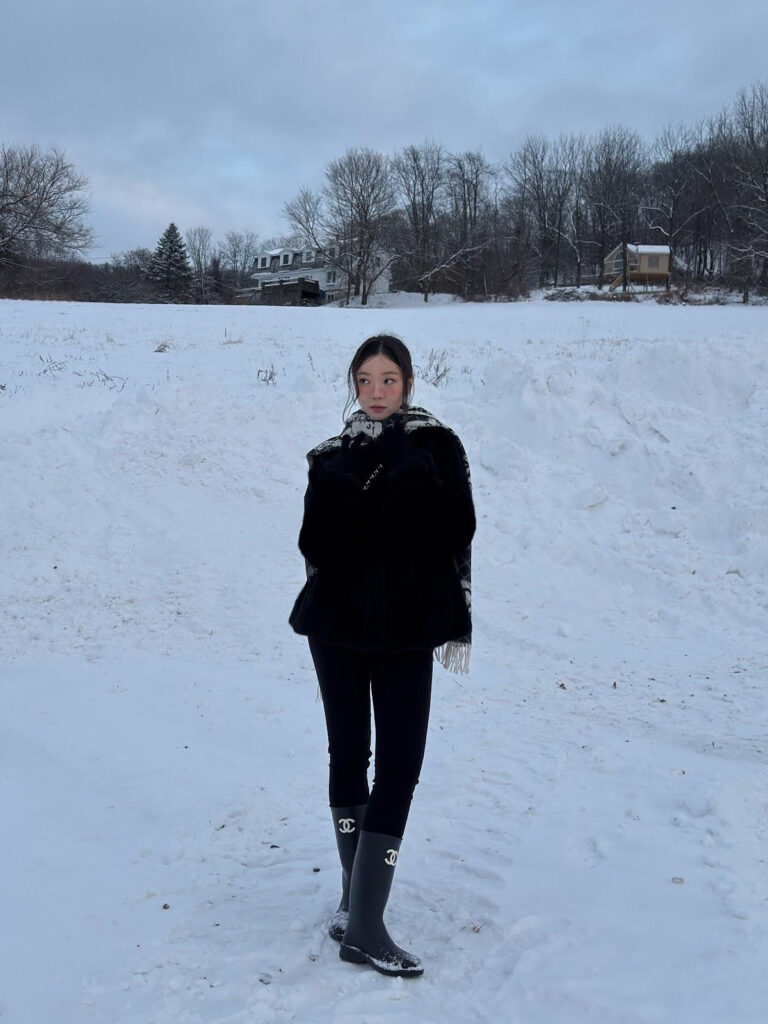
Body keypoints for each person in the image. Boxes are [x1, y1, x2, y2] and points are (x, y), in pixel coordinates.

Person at [289, 334, 475, 978]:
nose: (375, 392)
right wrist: (342, 486)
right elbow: (316, 544)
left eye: (388, 379)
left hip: (406, 628)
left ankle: (360, 910)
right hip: (336, 626)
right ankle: (360, 915)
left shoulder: (438, 446)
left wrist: (405, 462)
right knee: (350, 754)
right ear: (352, 384)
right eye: (364, 380)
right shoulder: (329, 456)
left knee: (401, 764)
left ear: (409, 384)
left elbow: (455, 531)